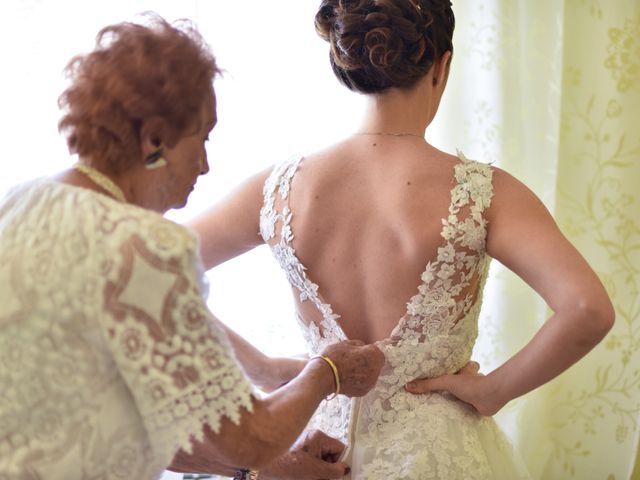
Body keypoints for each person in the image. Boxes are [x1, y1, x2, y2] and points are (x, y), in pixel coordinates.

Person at [189, 0, 615, 478]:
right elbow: (587, 310)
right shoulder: (483, 192)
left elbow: (147, 273)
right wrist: (495, 390)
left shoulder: (278, 188)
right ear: (442, 65)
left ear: (345, 65)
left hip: (316, 452)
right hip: (439, 455)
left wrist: (263, 369)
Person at [0, 15, 386, 480]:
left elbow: (139, 334)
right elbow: (250, 439)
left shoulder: (21, 203)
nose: (205, 165)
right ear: (155, 139)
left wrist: (264, 368)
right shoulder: (145, 246)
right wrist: (327, 373)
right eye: (201, 138)